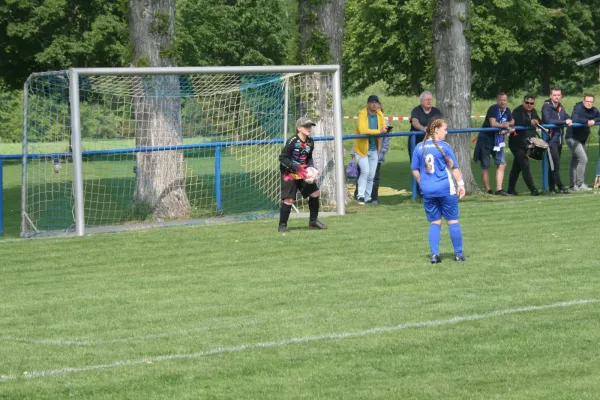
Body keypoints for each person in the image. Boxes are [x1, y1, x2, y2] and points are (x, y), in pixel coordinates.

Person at [411, 118, 466, 264]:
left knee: (435, 222)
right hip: (445, 188)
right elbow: (454, 168)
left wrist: (422, 184)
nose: (446, 132)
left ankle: (435, 255)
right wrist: (461, 185)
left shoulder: (418, 147)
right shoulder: (444, 146)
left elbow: (415, 170)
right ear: (436, 130)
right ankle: (459, 254)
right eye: (445, 129)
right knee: (452, 220)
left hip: (428, 190)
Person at [278, 116, 327, 233]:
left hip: (303, 173)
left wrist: (311, 169)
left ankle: (313, 221)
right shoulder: (292, 141)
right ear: (299, 128)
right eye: (306, 126)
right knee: (289, 199)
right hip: (290, 173)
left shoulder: (310, 141)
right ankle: (282, 225)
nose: (309, 128)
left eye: (310, 126)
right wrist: (295, 167)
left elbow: (308, 157)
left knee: (315, 193)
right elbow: (282, 158)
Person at [473, 92, 515, 195]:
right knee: (485, 165)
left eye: (504, 100)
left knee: (501, 163)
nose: (502, 102)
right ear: (497, 100)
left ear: (507, 101)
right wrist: (504, 126)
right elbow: (493, 123)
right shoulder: (493, 108)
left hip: (498, 140)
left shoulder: (507, 110)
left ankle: (499, 189)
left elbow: (512, 121)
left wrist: (508, 124)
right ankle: (488, 190)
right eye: (500, 100)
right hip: (485, 139)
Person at [353, 102, 391, 205]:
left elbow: (386, 140)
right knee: (364, 172)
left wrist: (382, 151)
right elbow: (359, 134)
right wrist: (354, 151)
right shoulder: (364, 119)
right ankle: (359, 195)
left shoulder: (385, 122)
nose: (376, 109)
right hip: (364, 151)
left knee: (374, 176)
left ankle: (371, 197)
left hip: (377, 152)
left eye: (378, 107)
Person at [507, 95, 541, 196]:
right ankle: (533, 189)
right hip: (517, 143)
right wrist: (530, 122)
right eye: (527, 103)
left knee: (517, 167)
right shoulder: (517, 111)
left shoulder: (534, 111)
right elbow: (518, 121)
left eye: (531, 103)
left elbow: (538, 120)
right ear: (523, 102)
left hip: (527, 144)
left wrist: (537, 121)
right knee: (525, 165)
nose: (529, 105)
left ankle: (510, 189)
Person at [566, 94, 600, 191]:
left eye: (591, 102)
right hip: (572, 138)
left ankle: (572, 186)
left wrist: (594, 120)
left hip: (582, 139)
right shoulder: (578, 108)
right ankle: (580, 185)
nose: (589, 103)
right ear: (583, 101)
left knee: (575, 161)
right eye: (587, 101)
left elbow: (599, 117)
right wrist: (587, 121)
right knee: (583, 159)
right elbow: (575, 118)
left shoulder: (594, 110)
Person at [541, 87, 572, 194]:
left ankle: (551, 188)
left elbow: (566, 115)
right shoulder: (546, 106)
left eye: (558, 95)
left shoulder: (560, 107)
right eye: (554, 95)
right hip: (550, 140)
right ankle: (560, 186)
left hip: (558, 140)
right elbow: (548, 120)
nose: (557, 97)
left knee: (554, 165)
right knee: (555, 163)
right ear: (551, 96)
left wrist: (568, 119)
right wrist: (564, 121)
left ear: (561, 96)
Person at [409, 91, 443, 160]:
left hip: (432, 140)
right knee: (416, 160)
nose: (429, 101)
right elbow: (415, 122)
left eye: (430, 100)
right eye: (427, 100)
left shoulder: (436, 111)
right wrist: (423, 129)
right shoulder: (416, 110)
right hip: (417, 140)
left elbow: (440, 123)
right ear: (421, 101)